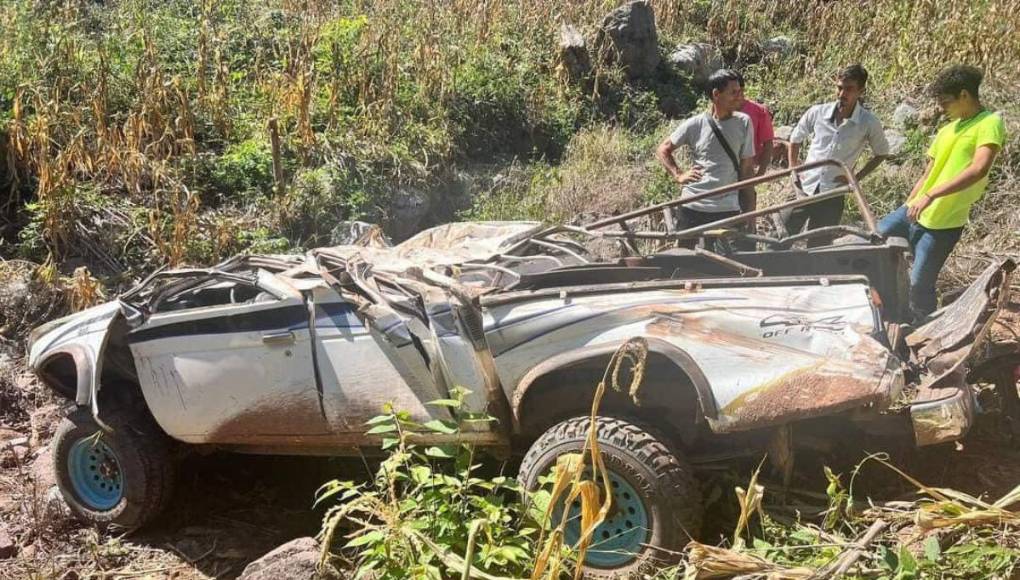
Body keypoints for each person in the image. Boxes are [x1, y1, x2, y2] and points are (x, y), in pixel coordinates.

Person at [877, 65, 1005, 319]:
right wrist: (909, 203)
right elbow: (928, 174)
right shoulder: (947, 130)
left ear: (964, 95)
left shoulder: (989, 123)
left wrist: (931, 195)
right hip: (915, 209)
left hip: (943, 223)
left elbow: (979, 169)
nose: (940, 108)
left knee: (919, 284)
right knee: (875, 239)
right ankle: (884, 307)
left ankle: (923, 327)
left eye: (945, 101)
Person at [784, 65, 890, 243]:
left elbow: (882, 153)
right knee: (782, 235)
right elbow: (795, 139)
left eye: (849, 89)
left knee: (819, 246)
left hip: (833, 194)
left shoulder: (868, 123)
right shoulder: (818, 112)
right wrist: (793, 169)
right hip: (805, 187)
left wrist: (855, 178)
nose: (842, 94)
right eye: (839, 87)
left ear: (861, 91)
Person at [656, 69, 756, 249]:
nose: (740, 97)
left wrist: (751, 210)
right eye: (733, 92)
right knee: (686, 257)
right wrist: (679, 175)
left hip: (728, 206)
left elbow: (746, 170)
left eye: (741, 91)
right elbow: (663, 149)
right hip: (694, 204)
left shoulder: (744, 123)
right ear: (716, 94)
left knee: (735, 258)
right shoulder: (696, 124)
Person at [736, 71, 775, 176]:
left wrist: (760, 173)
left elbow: (768, 144)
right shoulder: (721, 111)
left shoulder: (759, 111)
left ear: (741, 89)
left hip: (746, 171)